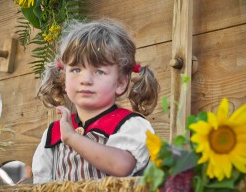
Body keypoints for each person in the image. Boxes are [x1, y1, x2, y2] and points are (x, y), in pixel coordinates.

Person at [32, 19, 160, 183]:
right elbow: (40, 186)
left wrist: (72, 138)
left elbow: (121, 166)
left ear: (120, 83)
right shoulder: (53, 133)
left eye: (99, 72)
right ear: (64, 79)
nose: (85, 80)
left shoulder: (129, 124)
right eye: (76, 69)